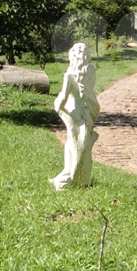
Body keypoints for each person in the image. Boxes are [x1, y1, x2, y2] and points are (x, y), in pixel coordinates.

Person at [50, 42, 100, 190]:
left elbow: (64, 96)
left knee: (73, 142)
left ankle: (71, 174)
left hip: (75, 111)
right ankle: (82, 177)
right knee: (84, 142)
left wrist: (57, 104)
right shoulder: (91, 70)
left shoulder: (69, 75)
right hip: (90, 108)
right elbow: (90, 87)